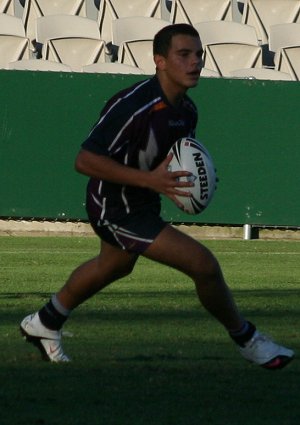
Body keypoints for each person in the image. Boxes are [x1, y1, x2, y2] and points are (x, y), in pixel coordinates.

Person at [20, 24, 294, 369]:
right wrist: (151, 180)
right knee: (203, 265)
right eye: (184, 55)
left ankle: (44, 322)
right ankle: (248, 340)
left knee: (112, 266)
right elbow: (85, 160)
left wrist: (190, 183)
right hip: (114, 207)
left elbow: (174, 163)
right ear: (159, 61)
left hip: (141, 203)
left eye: (199, 55)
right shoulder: (133, 105)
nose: (195, 62)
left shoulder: (187, 110)